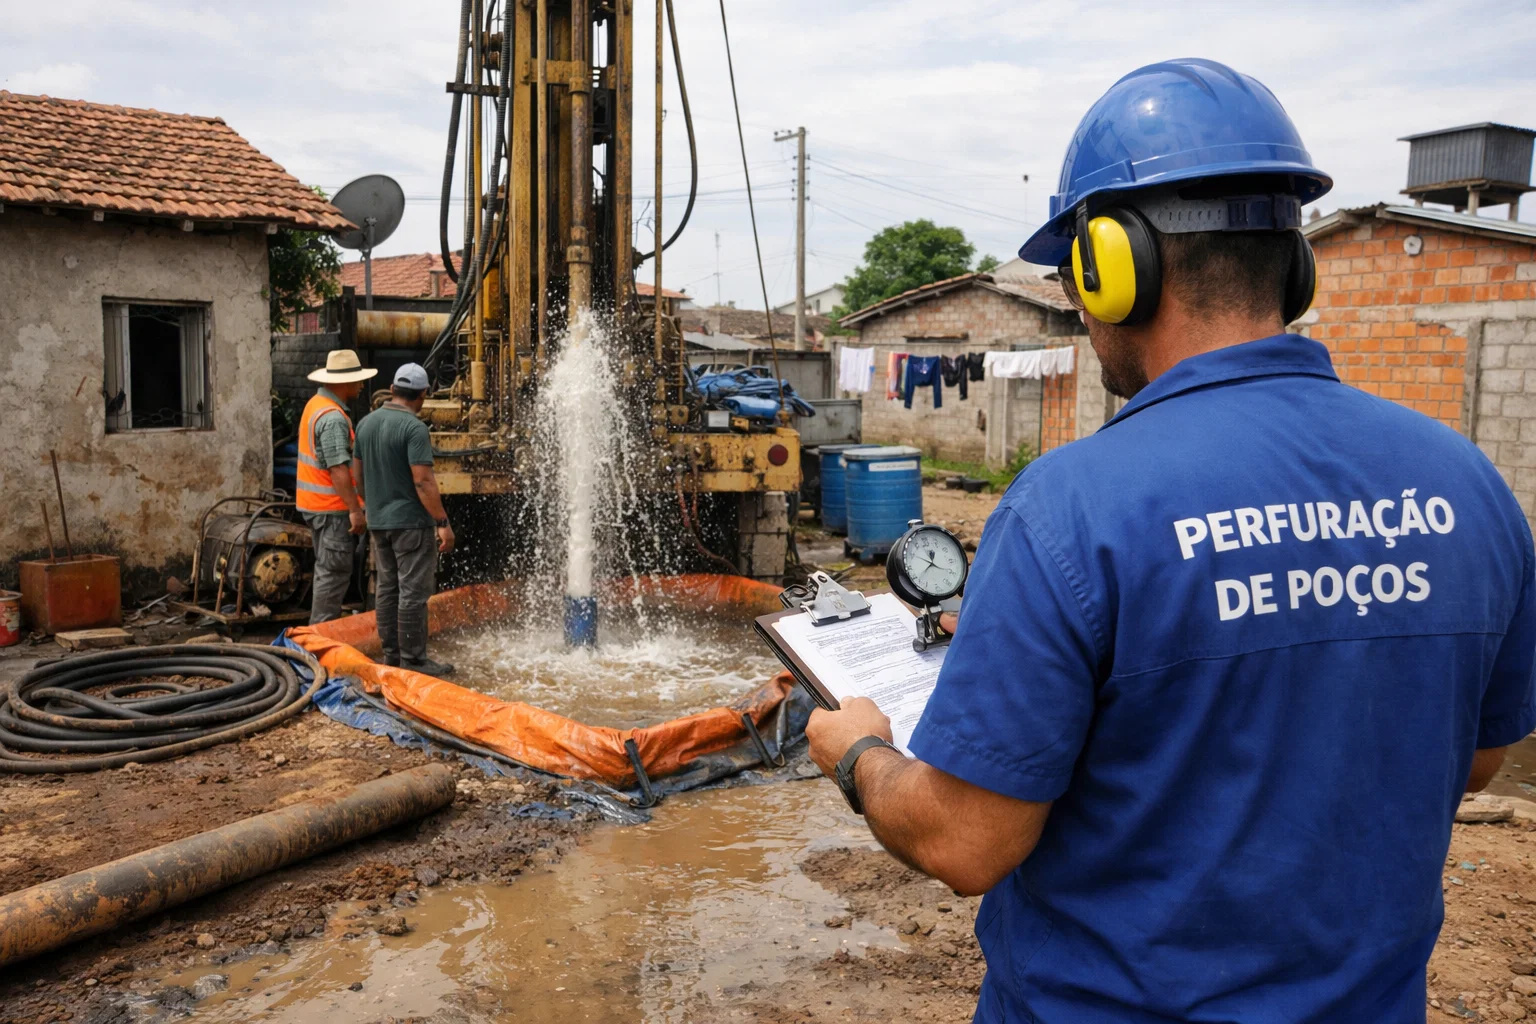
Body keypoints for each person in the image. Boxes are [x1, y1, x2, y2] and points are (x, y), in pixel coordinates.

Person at [805, 58, 1536, 1022]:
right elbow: (1475, 758)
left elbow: (966, 843)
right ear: (1297, 265)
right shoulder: (1467, 484)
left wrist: (860, 753)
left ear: (1112, 268)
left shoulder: (1071, 508)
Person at [353, 363, 456, 676]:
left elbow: (357, 474)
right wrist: (442, 521)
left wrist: (373, 505)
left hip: (379, 521)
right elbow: (423, 481)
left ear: (394, 388)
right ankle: (414, 661)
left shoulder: (366, 424)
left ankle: (392, 657)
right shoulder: (414, 428)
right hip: (411, 522)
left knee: (387, 588)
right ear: (423, 395)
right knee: (412, 592)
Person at [297, 349, 377, 624]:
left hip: (318, 507)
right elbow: (338, 470)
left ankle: (321, 635)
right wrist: (355, 510)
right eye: (357, 380)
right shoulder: (332, 418)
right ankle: (321, 641)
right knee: (332, 575)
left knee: (328, 572)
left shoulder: (315, 404)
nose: (361, 385)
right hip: (332, 510)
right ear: (343, 383)